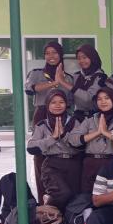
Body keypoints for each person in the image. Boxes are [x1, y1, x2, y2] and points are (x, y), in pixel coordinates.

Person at [24, 41, 74, 203]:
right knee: (40, 157)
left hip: (63, 115)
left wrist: (62, 80)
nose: (51, 56)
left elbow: (72, 100)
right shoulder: (36, 73)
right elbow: (30, 89)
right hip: (42, 114)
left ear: (60, 55)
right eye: (47, 53)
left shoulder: (69, 77)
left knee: (63, 153)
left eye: (54, 52)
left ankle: (61, 199)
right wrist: (55, 82)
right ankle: (43, 201)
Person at [26, 90, 81, 211]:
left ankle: (62, 217)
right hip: (52, 165)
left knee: (73, 198)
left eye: (61, 102)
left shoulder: (74, 122)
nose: (57, 105)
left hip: (73, 164)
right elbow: (31, 148)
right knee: (63, 193)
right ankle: (47, 204)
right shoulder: (42, 125)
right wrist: (53, 138)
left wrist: (64, 135)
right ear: (47, 105)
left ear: (66, 104)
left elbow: (80, 145)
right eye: (53, 102)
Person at [68, 87, 113, 194]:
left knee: (110, 196)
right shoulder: (90, 120)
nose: (103, 102)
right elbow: (72, 140)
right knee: (88, 197)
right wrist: (97, 133)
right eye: (99, 99)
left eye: (107, 98)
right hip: (91, 164)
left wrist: (105, 133)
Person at [71, 44, 108, 122]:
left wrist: (66, 84)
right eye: (79, 58)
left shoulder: (101, 77)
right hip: (77, 118)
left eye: (84, 57)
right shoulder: (76, 76)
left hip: (95, 118)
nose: (81, 61)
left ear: (92, 58)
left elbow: (88, 98)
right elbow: (70, 98)